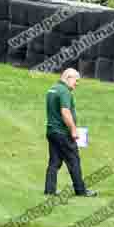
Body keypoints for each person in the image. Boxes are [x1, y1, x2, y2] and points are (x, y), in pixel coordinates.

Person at [44, 68, 97, 197]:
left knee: (54, 161)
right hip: (62, 133)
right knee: (74, 160)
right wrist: (73, 130)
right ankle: (81, 190)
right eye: (76, 80)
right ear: (68, 77)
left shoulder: (52, 89)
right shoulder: (64, 92)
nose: (77, 84)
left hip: (51, 131)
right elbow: (65, 112)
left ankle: (49, 189)